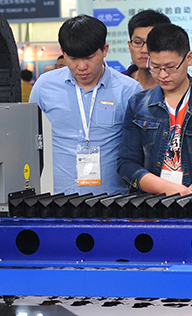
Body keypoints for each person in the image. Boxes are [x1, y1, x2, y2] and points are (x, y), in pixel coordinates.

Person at [118, 23, 192, 196]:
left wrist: (188, 194)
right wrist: (168, 189)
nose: (163, 75)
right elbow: (127, 163)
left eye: (170, 67)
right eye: (155, 67)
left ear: (189, 58)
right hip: (152, 201)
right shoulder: (137, 104)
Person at [30, 15, 140, 195]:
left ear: (105, 50)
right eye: (73, 58)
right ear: (63, 52)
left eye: (89, 57)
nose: (82, 67)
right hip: (56, 198)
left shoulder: (128, 90)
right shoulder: (44, 86)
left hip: (111, 199)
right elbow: (30, 141)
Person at [124, 9, 170, 90]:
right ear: (129, 46)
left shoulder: (177, 85)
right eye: (138, 42)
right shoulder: (117, 83)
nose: (144, 50)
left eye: (151, 43)